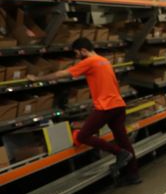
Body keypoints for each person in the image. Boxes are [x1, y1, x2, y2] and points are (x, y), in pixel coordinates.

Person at [28, 37, 140, 186]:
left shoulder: (89, 62)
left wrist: (37, 78)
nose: (76, 57)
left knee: (83, 136)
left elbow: (62, 74)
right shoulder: (103, 60)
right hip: (118, 104)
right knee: (123, 140)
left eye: (77, 53)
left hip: (106, 106)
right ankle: (133, 175)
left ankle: (119, 153)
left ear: (83, 50)